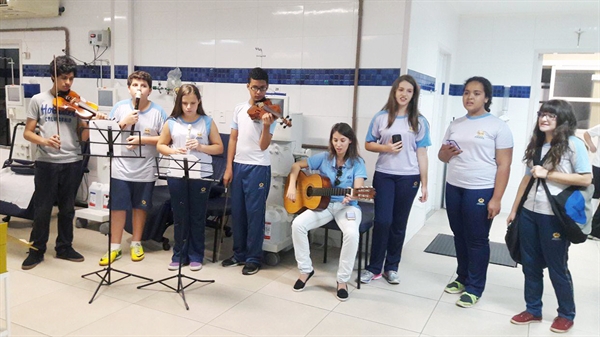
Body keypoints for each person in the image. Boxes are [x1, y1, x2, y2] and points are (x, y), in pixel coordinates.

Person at [507, 100, 591, 333]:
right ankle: (533, 309)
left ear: (562, 119)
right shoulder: (538, 144)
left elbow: (586, 178)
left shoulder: (574, 145)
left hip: (554, 215)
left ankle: (566, 313)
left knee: (557, 266)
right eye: (542, 114)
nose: (544, 119)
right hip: (529, 212)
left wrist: (549, 174)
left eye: (551, 116)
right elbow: (526, 179)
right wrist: (515, 209)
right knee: (530, 264)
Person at [21, 56, 107, 270]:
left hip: (73, 160)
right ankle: (36, 250)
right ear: (53, 77)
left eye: (70, 78)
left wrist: (88, 121)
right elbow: (27, 133)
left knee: (68, 208)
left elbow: (82, 137)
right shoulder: (39, 100)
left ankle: (64, 247)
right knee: (42, 209)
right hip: (46, 162)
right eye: (63, 78)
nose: (68, 83)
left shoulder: (77, 103)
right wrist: (45, 140)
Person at [438, 76, 513, 308]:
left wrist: (497, 199)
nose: (470, 97)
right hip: (454, 186)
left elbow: (504, 165)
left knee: (477, 239)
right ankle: (462, 278)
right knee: (458, 235)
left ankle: (475, 287)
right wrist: (448, 152)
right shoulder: (456, 124)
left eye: (477, 93)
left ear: (487, 97)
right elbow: (442, 156)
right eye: (466, 92)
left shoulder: (498, 126)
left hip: (480, 188)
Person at [360, 74, 431, 285]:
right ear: (394, 91)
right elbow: (368, 144)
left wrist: (425, 183)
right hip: (384, 175)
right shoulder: (381, 117)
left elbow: (422, 154)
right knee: (382, 221)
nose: (404, 94)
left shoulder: (419, 121)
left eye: (409, 91)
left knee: (399, 224)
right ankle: (374, 268)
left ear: (413, 95)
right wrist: (386, 148)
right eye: (401, 89)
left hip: (409, 178)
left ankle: (392, 267)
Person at [287, 122, 367, 301]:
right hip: (323, 205)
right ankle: (305, 270)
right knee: (298, 224)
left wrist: (352, 196)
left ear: (350, 142)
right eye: (335, 140)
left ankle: (342, 280)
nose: (338, 144)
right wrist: (292, 185)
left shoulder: (357, 162)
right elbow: (296, 167)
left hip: (347, 207)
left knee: (352, 234)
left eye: (342, 140)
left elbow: (359, 189)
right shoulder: (323, 157)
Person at [99, 70, 167, 266]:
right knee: (118, 207)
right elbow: (107, 134)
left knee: (140, 207)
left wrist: (142, 140)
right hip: (120, 167)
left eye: (143, 86)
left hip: (145, 169)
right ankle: (114, 247)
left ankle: (136, 243)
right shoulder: (120, 108)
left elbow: (165, 139)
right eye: (135, 85)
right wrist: (123, 122)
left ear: (150, 91)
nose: (139, 89)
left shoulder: (158, 112)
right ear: (129, 89)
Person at [156, 84, 223, 271]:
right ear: (179, 103)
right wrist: (172, 151)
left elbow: (219, 147)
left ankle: (196, 255)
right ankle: (179, 254)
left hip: (201, 174)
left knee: (197, 215)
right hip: (177, 173)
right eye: (185, 103)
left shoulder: (207, 121)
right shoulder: (172, 122)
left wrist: (201, 147)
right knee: (179, 215)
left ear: (198, 102)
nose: (188, 107)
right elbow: (161, 145)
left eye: (192, 103)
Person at [221, 67, 276, 275]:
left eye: (262, 88)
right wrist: (229, 167)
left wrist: (266, 127)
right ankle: (239, 254)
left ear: (267, 87)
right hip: (239, 165)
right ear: (248, 86)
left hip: (258, 167)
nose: (258, 92)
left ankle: (254, 257)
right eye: (255, 88)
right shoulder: (239, 109)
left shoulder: (271, 111)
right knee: (238, 212)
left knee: (254, 214)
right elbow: (233, 139)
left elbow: (263, 146)